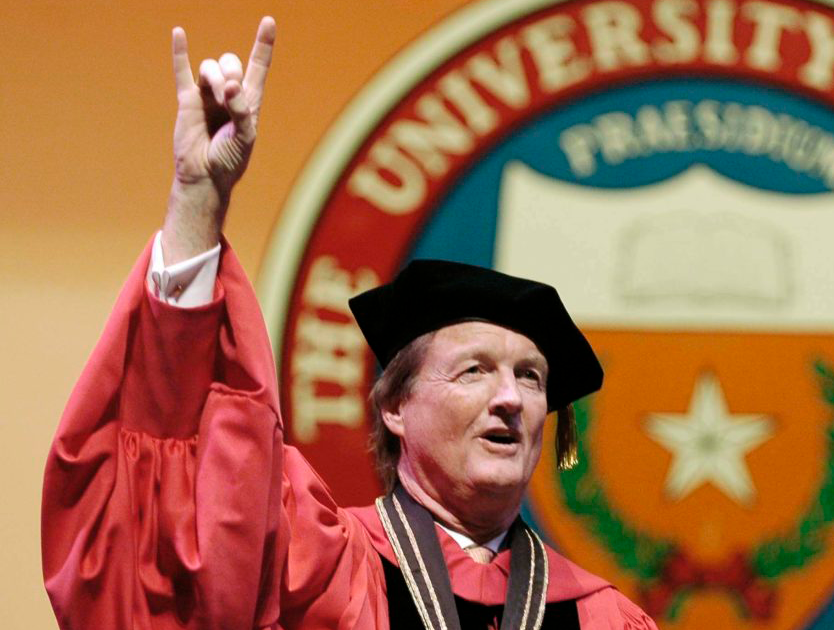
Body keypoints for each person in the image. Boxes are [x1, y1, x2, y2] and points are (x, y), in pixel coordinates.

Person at [41, 17, 656, 630]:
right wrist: (198, 200)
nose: (510, 399)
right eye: (474, 370)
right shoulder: (310, 570)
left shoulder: (605, 618)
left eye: (530, 377)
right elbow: (177, 500)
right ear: (395, 407)